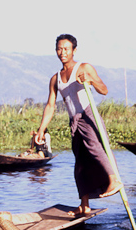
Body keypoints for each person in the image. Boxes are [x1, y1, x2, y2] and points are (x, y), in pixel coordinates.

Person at [33, 34, 122, 216]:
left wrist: (90, 81)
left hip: (88, 115)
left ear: (74, 50)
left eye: (66, 48)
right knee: (80, 163)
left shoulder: (84, 67)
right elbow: (50, 105)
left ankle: (114, 180)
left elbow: (104, 90)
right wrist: (42, 129)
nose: (62, 52)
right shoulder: (55, 78)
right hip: (74, 120)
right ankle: (84, 205)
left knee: (96, 149)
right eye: (59, 48)